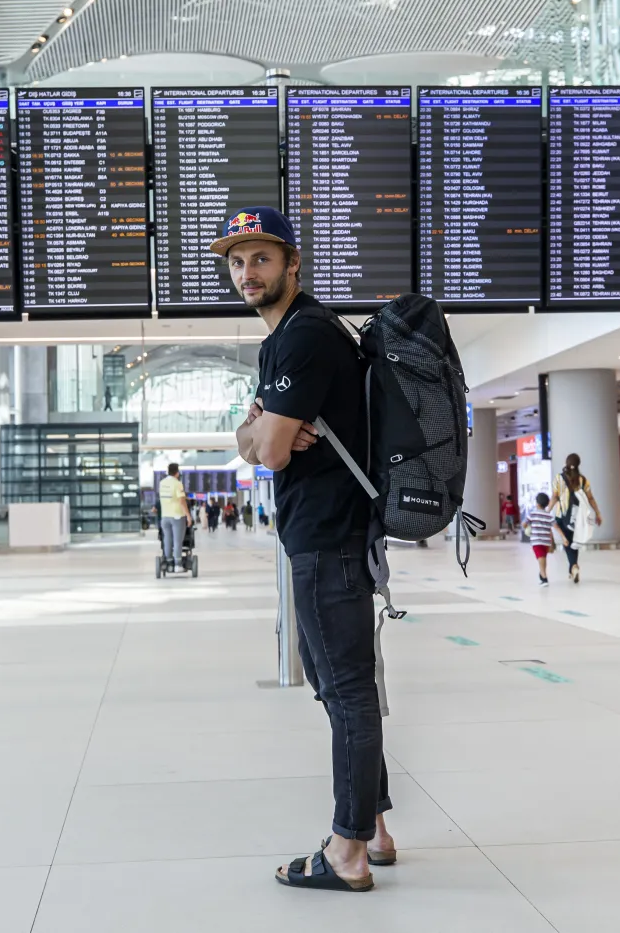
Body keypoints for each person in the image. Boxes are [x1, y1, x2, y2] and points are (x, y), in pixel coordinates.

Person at [224, 206, 393, 893]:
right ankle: (374, 827)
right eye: (236, 262)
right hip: (329, 534)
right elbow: (254, 441)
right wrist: (258, 435)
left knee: (346, 691)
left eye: (260, 258)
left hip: (328, 536)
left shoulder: (304, 339)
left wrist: (264, 436)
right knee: (339, 686)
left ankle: (347, 848)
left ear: (293, 263)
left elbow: (263, 448)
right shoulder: (291, 336)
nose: (246, 273)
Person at [549, 453, 603, 584]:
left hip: (562, 515)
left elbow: (555, 497)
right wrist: (598, 513)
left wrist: (546, 511)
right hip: (578, 516)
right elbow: (590, 498)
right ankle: (572, 568)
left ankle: (574, 566)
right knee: (574, 542)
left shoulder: (558, 478)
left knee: (567, 542)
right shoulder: (583, 480)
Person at [157, 463, 189, 572]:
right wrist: (188, 516)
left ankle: (169, 563)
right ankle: (178, 564)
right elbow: (181, 501)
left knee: (167, 540)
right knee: (177, 541)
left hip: (165, 516)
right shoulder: (177, 484)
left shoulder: (162, 483)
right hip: (177, 516)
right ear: (177, 472)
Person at [525, 492, 560, 587]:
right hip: (546, 542)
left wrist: (527, 527)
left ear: (537, 503)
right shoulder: (548, 515)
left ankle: (544, 577)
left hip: (536, 541)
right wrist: (563, 538)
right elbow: (556, 527)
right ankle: (542, 574)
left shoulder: (532, 514)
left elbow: (524, 524)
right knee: (542, 558)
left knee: (541, 558)